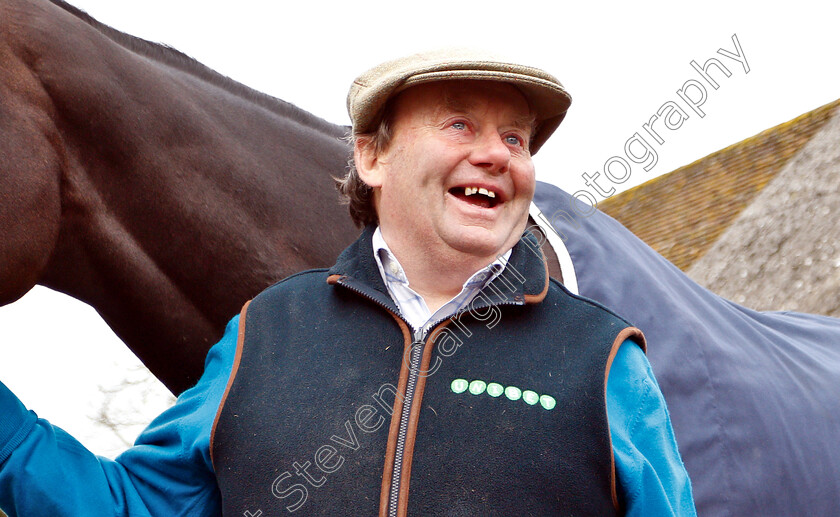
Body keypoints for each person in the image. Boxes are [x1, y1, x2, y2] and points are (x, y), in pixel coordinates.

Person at [0, 49, 695, 516]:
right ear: (372, 156)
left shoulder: (604, 360)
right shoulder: (263, 334)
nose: (495, 153)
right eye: (461, 124)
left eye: (516, 139)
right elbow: (137, 505)